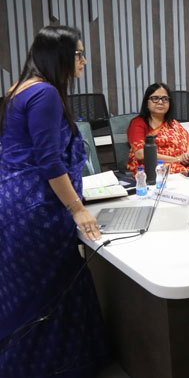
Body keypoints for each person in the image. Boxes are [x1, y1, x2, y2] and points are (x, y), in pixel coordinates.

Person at [0, 26, 109, 376]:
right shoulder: (44, 93)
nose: (84, 61)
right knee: (52, 292)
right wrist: (77, 208)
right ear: (58, 55)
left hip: (15, 202)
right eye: (79, 54)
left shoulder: (20, 88)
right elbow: (49, 161)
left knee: (31, 291)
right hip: (36, 209)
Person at [127, 83, 189, 176]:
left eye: (165, 99)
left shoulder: (173, 123)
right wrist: (177, 159)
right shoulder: (138, 123)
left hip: (181, 166)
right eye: (155, 98)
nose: (160, 102)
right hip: (151, 170)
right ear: (147, 103)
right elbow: (141, 154)